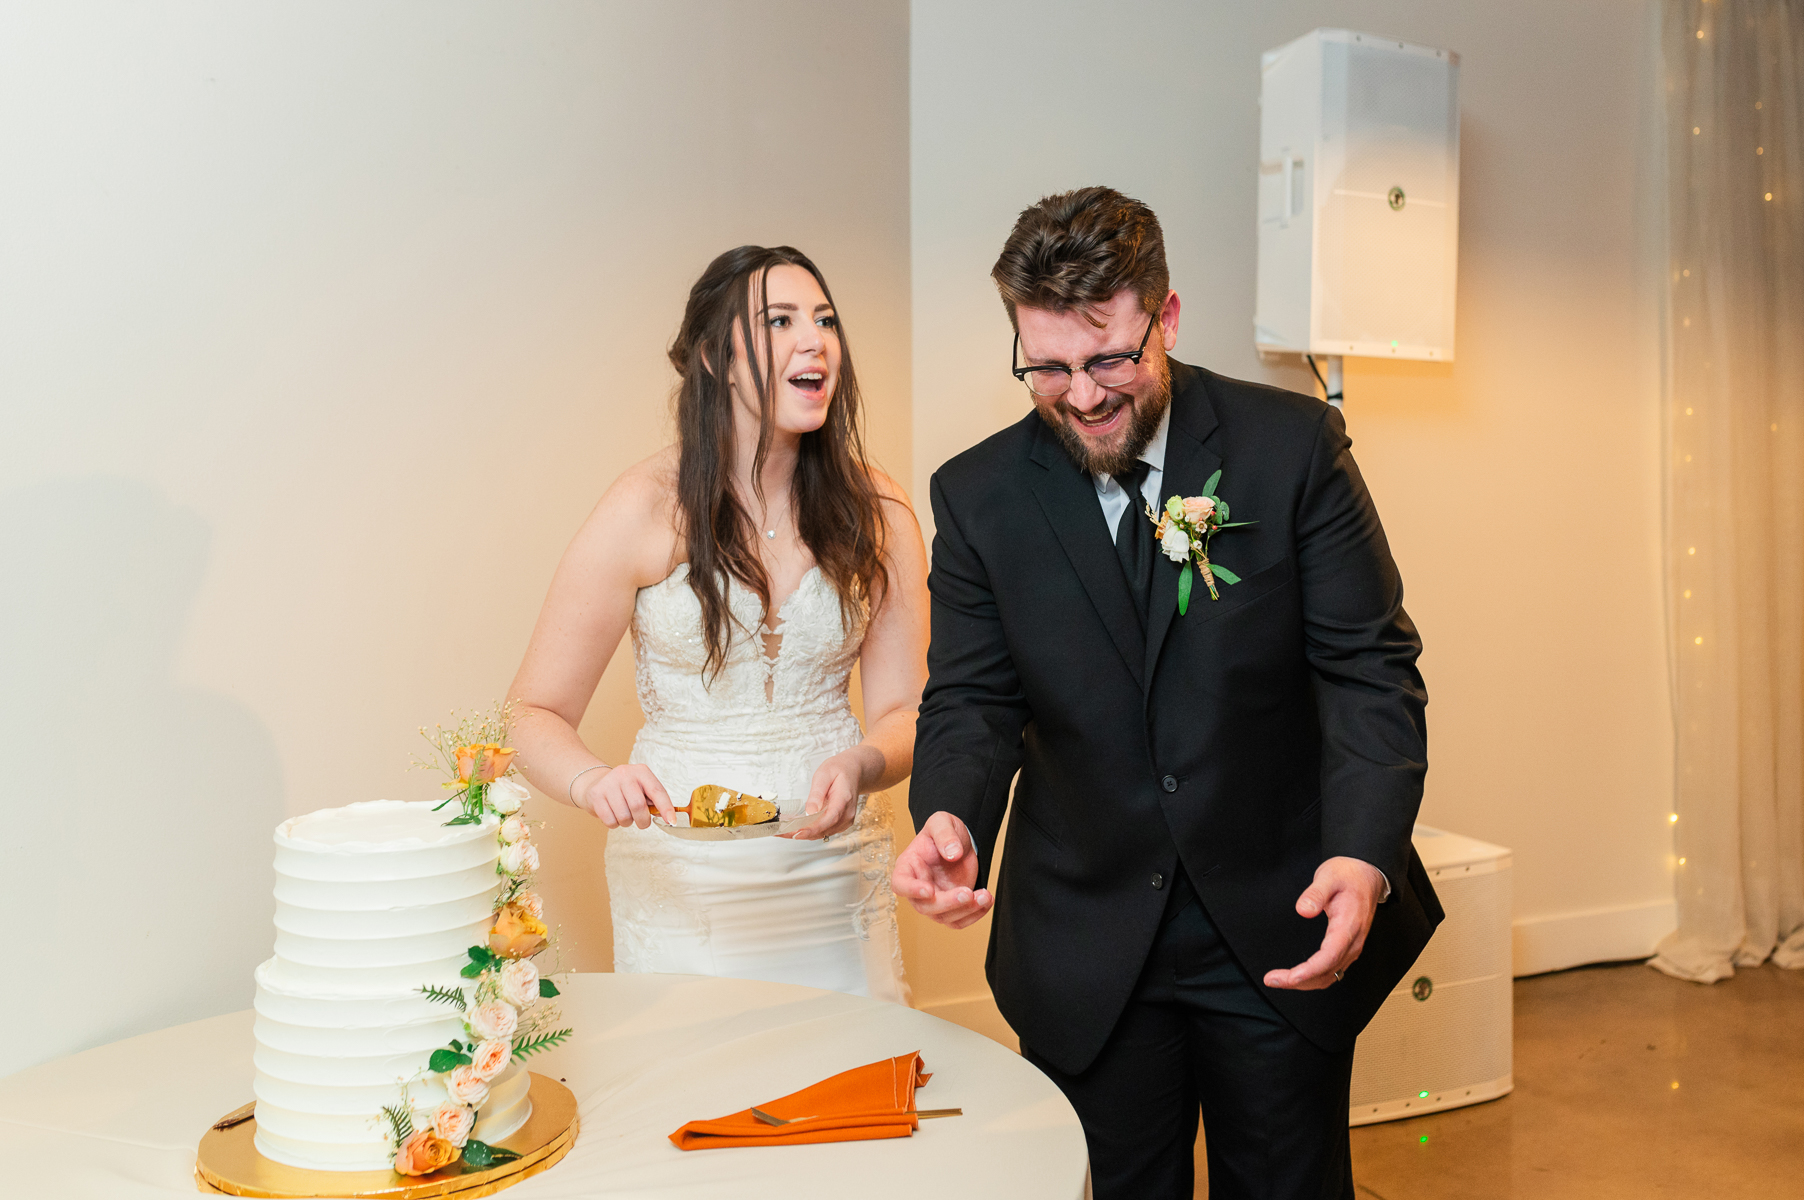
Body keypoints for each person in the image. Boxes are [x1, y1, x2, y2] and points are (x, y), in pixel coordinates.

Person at [893, 187, 1442, 1199]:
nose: (1082, 397)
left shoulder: (1291, 449)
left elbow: (1368, 669)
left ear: (1168, 318)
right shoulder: (976, 496)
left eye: (1109, 359)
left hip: (1278, 916)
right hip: (1087, 936)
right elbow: (971, 697)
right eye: (1047, 368)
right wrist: (949, 813)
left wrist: (1363, 856)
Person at [509, 245, 926, 1003]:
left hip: (833, 871)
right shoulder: (644, 505)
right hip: (681, 880)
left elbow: (906, 710)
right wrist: (592, 781)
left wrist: (865, 764)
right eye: (780, 321)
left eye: (825, 320)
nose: (814, 341)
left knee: (854, 1068)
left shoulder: (881, 512)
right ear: (715, 358)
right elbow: (531, 713)